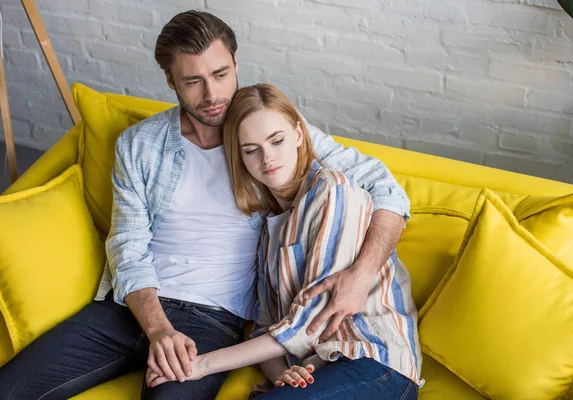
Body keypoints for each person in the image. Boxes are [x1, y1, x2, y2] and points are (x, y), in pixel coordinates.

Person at [0, 10, 411, 400]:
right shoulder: (140, 144)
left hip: (211, 320)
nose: (213, 94)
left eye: (221, 74)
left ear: (235, 64)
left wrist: (362, 273)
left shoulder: (269, 130)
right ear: (170, 80)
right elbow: (126, 246)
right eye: (193, 81)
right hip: (129, 307)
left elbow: (385, 188)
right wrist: (159, 329)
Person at [146, 83, 423, 399]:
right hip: (318, 372)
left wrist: (199, 365)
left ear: (299, 136)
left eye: (276, 141)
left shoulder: (332, 192)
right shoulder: (266, 227)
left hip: (373, 364)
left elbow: (307, 325)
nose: (268, 158)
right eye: (251, 150)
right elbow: (267, 326)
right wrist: (282, 374)